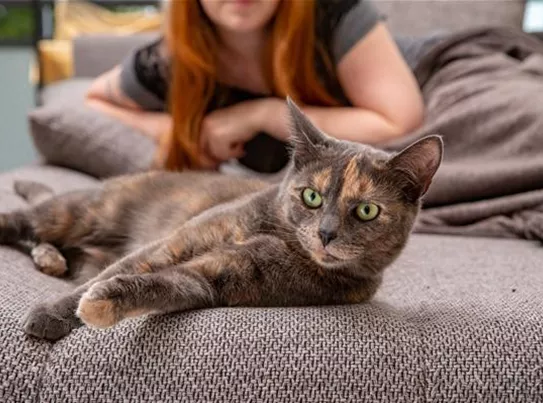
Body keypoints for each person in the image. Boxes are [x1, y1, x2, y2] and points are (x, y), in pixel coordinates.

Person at [85, 0, 424, 174]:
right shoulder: (165, 63)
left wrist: (267, 114)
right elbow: (90, 101)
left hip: (426, 76)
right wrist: (170, 129)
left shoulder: (331, 13)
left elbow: (400, 122)